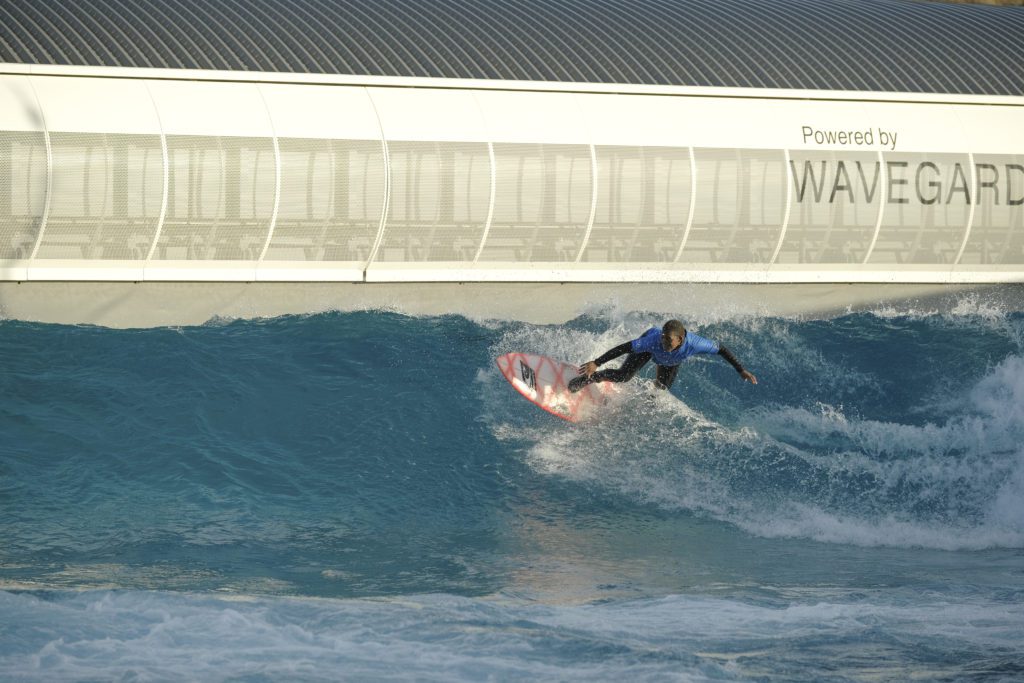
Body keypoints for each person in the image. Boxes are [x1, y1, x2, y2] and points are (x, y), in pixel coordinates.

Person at [568, 319, 757, 393]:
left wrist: (741, 370)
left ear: (681, 339)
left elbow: (721, 349)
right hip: (648, 353)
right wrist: (596, 362)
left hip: (672, 362)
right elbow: (625, 347)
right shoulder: (653, 341)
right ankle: (588, 378)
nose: (664, 344)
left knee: (661, 389)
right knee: (623, 376)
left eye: (669, 342)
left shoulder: (696, 344)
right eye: (663, 340)